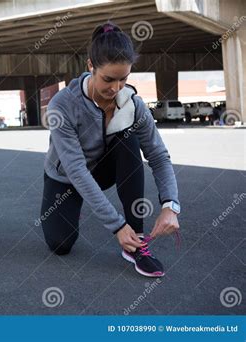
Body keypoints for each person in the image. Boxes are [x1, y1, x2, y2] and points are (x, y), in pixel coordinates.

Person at [40, 22, 180, 278]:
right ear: (90, 66)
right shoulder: (63, 105)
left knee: (129, 140)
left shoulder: (133, 104)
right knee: (60, 244)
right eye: (108, 79)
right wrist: (116, 225)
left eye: (123, 79)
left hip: (103, 171)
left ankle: (135, 242)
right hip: (66, 178)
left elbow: (158, 156)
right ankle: (76, 207)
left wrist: (171, 205)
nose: (115, 88)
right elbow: (76, 170)